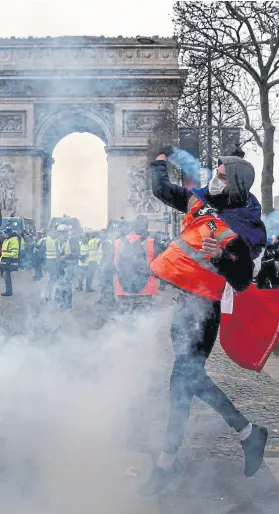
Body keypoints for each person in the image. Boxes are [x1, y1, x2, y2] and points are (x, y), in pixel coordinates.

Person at [139, 150, 268, 497]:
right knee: (182, 382)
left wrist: (221, 255)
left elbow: (241, 279)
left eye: (223, 175)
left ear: (235, 183)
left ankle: (169, 461)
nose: (216, 178)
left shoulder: (248, 225)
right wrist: (159, 161)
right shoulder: (201, 202)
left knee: (184, 379)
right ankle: (246, 433)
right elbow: (163, 190)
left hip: (205, 311)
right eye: (217, 172)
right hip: (186, 304)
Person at [114, 215, 163, 314]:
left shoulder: (117, 243)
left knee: (124, 318)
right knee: (142, 320)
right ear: (146, 227)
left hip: (122, 288)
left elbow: (111, 263)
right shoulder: (152, 243)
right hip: (146, 290)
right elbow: (163, 265)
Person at [56, 224, 78, 309]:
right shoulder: (57, 241)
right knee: (59, 285)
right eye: (60, 232)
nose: (61, 234)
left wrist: (66, 256)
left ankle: (68, 304)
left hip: (69, 265)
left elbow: (77, 253)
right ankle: (61, 303)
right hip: (60, 265)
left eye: (63, 232)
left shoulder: (72, 241)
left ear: (67, 232)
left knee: (67, 285)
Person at [0, 227, 20, 296]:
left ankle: (9, 291)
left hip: (9, 261)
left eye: (5, 233)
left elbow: (15, 252)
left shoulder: (14, 240)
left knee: (6, 276)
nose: (4, 235)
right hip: (5, 260)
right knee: (6, 276)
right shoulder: (6, 240)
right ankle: (8, 291)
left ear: (9, 233)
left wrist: (6, 255)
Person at [45, 228, 59, 301]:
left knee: (52, 279)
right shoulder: (58, 240)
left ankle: (50, 295)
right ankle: (49, 295)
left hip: (52, 262)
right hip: (52, 262)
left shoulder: (46, 239)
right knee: (53, 279)